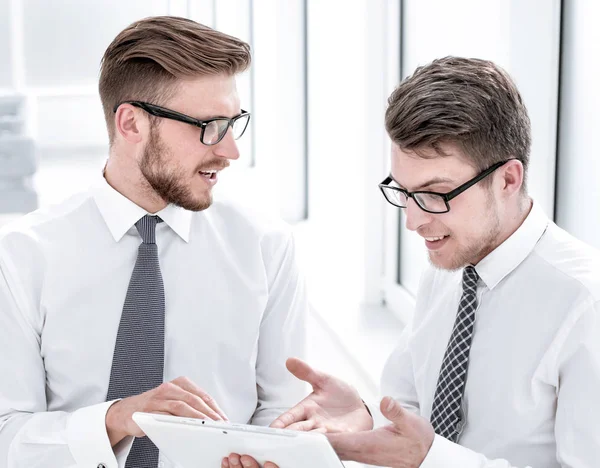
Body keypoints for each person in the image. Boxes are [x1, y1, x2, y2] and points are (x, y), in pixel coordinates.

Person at [232, 57, 600, 468]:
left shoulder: (584, 303)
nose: (413, 220)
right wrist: (364, 416)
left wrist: (431, 458)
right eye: (404, 191)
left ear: (508, 180)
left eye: (435, 194)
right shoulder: (449, 269)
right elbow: (412, 412)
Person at [0, 16, 308, 468]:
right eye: (208, 126)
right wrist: (115, 420)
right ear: (131, 124)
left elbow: (285, 408)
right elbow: (8, 434)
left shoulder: (266, 247)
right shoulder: (24, 256)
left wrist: (268, 452)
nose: (229, 151)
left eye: (232, 124)